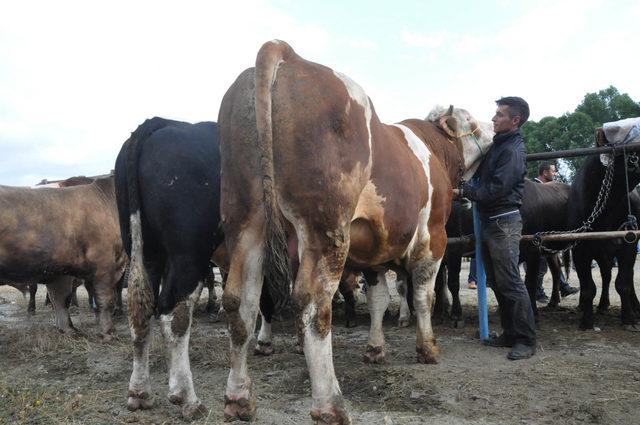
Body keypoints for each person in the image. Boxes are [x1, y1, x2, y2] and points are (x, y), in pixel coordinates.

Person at [453, 96, 536, 360]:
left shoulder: (512, 151)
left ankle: (526, 339)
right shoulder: (500, 145)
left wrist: (465, 190)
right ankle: (510, 333)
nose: (493, 118)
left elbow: (497, 189)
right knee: (498, 282)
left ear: (515, 120)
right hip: (493, 222)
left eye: (499, 114)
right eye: (495, 113)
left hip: (504, 221)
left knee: (510, 281)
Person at [532, 163, 579, 302]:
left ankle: (561, 287)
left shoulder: (553, 188)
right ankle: (539, 292)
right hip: (538, 232)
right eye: (553, 171)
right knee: (539, 264)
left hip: (550, 231)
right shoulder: (534, 187)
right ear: (545, 172)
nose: (555, 174)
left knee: (552, 260)